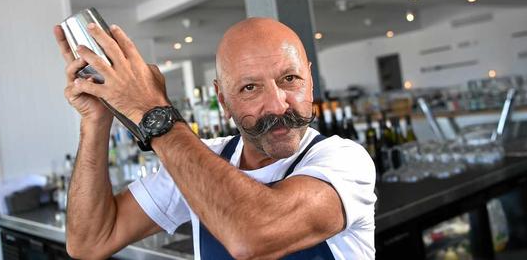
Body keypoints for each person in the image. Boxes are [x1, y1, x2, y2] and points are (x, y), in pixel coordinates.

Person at [53, 17, 376, 259]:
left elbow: (254, 235)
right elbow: (90, 241)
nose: (278, 105)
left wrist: (153, 111)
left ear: (310, 79)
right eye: (250, 88)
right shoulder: (199, 160)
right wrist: (95, 122)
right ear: (222, 100)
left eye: (290, 79)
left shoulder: (343, 160)